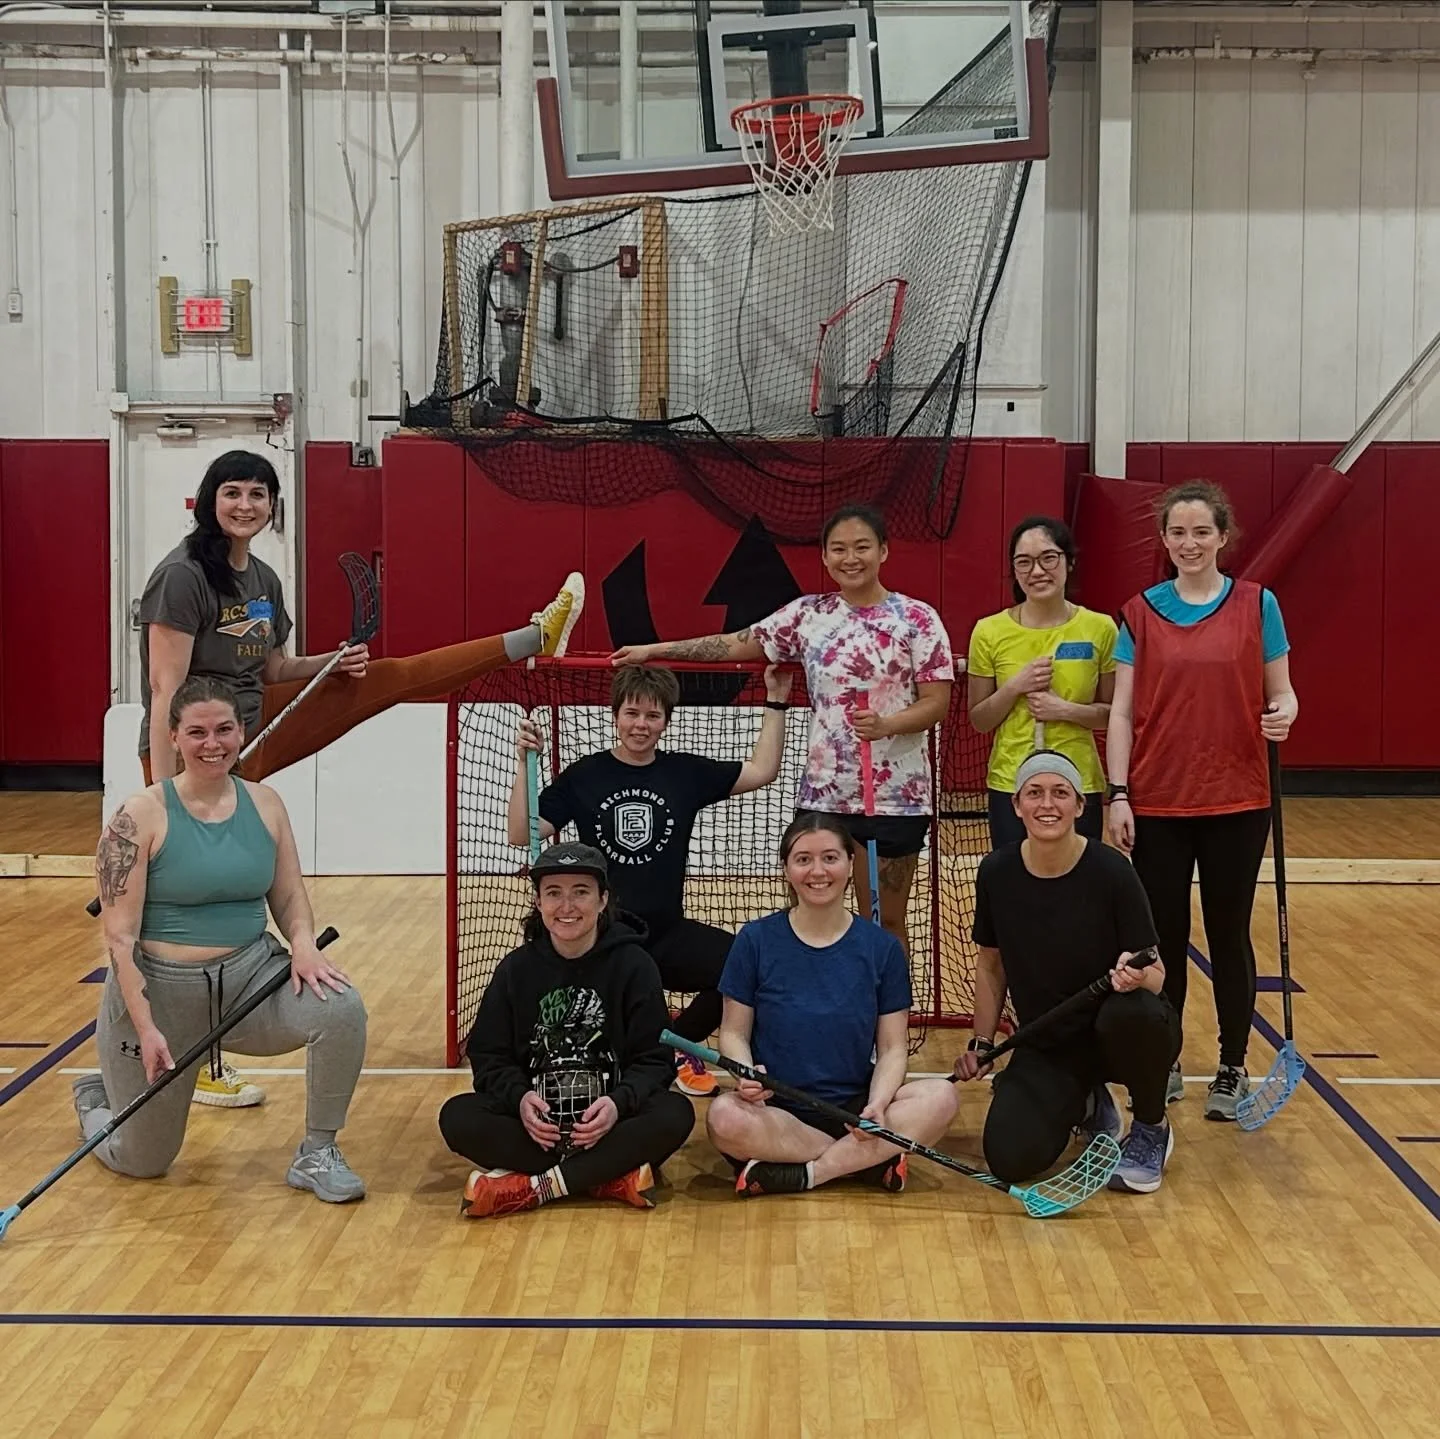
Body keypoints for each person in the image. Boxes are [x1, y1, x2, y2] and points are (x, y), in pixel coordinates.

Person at [138, 448, 583, 1106]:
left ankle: (531, 636)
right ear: (210, 499)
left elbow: (271, 670)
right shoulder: (180, 576)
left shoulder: (261, 579)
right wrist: (160, 792)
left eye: (258, 494)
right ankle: (181, 1052)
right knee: (191, 909)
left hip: (253, 736)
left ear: (272, 505)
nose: (244, 505)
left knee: (386, 677)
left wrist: (330, 661)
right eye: (231, 492)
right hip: (190, 751)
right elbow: (161, 689)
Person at [611, 504, 955, 960]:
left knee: (885, 919)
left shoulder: (917, 619)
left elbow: (937, 702)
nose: (851, 558)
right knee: (811, 912)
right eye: (839, 549)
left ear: (884, 551)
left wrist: (888, 725)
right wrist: (655, 650)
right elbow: (735, 641)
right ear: (825, 558)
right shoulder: (808, 615)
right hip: (823, 796)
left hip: (896, 796)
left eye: (862, 547)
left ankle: (887, 1021)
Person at [80, 676, 368, 1202]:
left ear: (241, 733)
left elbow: (288, 898)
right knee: (145, 1162)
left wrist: (303, 944)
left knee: (341, 1007)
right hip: (160, 1000)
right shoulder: (138, 815)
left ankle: (318, 1152)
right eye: (197, 732)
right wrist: (145, 1029)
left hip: (248, 983)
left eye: (224, 730)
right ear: (173, 738)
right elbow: (120, 941)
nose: (212, 744)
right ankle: (98, 1103)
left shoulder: (266, 804)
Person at [1106, 480, 1299, 1121]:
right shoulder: (1138, 611)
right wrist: (1118, 793)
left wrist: (1284, 716)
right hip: (1158, 798)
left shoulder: (1257, 604)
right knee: (1162, 937)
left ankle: (1232, 1065)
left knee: (1228, 932)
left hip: (1238, 798)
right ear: (1164, 540)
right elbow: (1124, 711)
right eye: (1177, 533)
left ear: (1223, 536)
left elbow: (1284, 692)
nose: (1189, 543)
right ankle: (1164, 1061)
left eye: (1201, 532)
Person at [509, 662, 792, 1097]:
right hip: (606, 938)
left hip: (666, 932)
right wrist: (523, 762)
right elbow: (521, 833)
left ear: (666, 720)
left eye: (653, 715)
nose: (641, 724)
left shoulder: (683, 773)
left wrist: (775, 700)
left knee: (745, 966)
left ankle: (678, 1047)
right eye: (632, 713)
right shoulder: (587, 775)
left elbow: (763, 770)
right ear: (616, 714)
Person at [953, 752, 1181, 1194]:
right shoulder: (997, 872)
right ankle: (1088, 1103)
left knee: (1134, 1013)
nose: (1047, 805)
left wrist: (1135, 979)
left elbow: (1156, 973)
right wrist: (982, 1044)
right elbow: (991, 963)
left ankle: (1151, 1127)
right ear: (1016, 805)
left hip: (1118, 1032)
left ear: (1080, 806)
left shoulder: (1113, 871)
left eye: (1061, 793)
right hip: (1049, 1042)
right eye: (1034, 793)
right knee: (1009, 1158)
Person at [704, 813, 959, 1196]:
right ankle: (869, 1162)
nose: (817, 871)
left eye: (829, 857)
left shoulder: (882, 948)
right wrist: (744, 1072)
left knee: (941, 1097)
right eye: (803, 859)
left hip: (855, 1113)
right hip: (777, 1110)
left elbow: (892, 1048)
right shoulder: (755, 940)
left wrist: (877, 1106)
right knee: (723, 1117)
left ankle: (809, 1173)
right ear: (787, 868)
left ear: (850, 863)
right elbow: (733, 1032)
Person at [439, 842, 696, 1219]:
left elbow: (655, 1062)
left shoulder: (634, 964)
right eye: (554, 893)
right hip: (539, 1129)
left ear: (603, 899)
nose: (567, 907)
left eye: (581, 892)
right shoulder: (515, 970)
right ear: (538, 903)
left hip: (608, 1122)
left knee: (675, 1113)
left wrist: (617, 1103)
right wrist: (520, 1100)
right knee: (457, 1116)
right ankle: (605, 1176)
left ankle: (535, 1188)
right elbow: (490, 1057)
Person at [967, 516, 1117, 848]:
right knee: (1015, 884)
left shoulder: (1100, 628)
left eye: (1048, 558)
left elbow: (1113, 713)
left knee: (1078, 887)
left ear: (1069, 561)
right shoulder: (989, 631)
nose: (1037, 571)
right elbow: (979, 719)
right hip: (1011, 781)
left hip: (1079, 780)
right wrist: (1014, 687)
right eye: (1024, 562)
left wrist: (1064, 709)